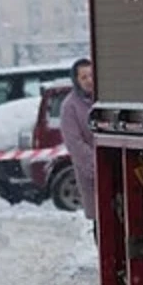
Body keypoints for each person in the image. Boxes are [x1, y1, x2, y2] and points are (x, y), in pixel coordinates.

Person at [59, 58, 96, 228]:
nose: (89, 80)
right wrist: (96, 166)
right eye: (84, 77)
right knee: (100, 217)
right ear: (76, 80)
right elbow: (74, 142)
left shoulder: (102, 99)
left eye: (91, 75)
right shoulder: (70, 106)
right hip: (90, 173)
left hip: (113, 168)